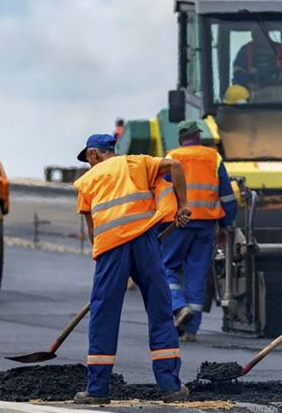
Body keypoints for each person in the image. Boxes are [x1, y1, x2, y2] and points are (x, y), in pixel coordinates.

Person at [72, 134, 192, 405]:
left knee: (104, 313)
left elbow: (92, 232)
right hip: (145, 242)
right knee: (160, 309)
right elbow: (175, 165)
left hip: (111, 247)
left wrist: (109, 266)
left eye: (88, 159)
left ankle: (97, 390)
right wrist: (183, 204)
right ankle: (170, 387)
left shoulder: (88, 180)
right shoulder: (136, 163)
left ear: (93, 154)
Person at [162, 120, 237, 341]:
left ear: (180, 138)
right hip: (206, 224)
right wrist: (226, 224)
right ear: (198, 136)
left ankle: (178, 307)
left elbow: (162, 192)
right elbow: (227, 196)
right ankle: (191, 330)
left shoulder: (171, 157)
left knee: (166, 267)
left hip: (178, 223)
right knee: (196, 274)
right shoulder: (214, 157)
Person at [232, 28, 282, 102]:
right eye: (254, 32)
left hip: (280, 98)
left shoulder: (280, 50)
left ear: (267, 33)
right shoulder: (246, 51)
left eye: (259, 32)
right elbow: (238, 72)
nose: (254, 35)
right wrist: (246, 85)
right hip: (253, 101)